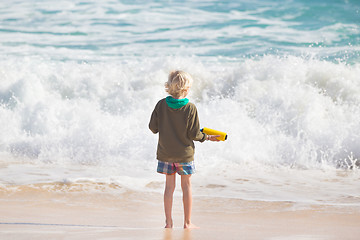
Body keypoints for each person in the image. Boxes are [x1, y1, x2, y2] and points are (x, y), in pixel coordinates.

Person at [149, 70, 220, 229]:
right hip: (184, 154)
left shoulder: (161, 104)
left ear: (170, 87)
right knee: (186, 187)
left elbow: (152, 128)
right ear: (186, 89)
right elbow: (194, 134)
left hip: (166, 154)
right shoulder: (190, 108)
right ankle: (187, 223)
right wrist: (207, 137)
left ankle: (168, 222)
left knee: (168, 188)